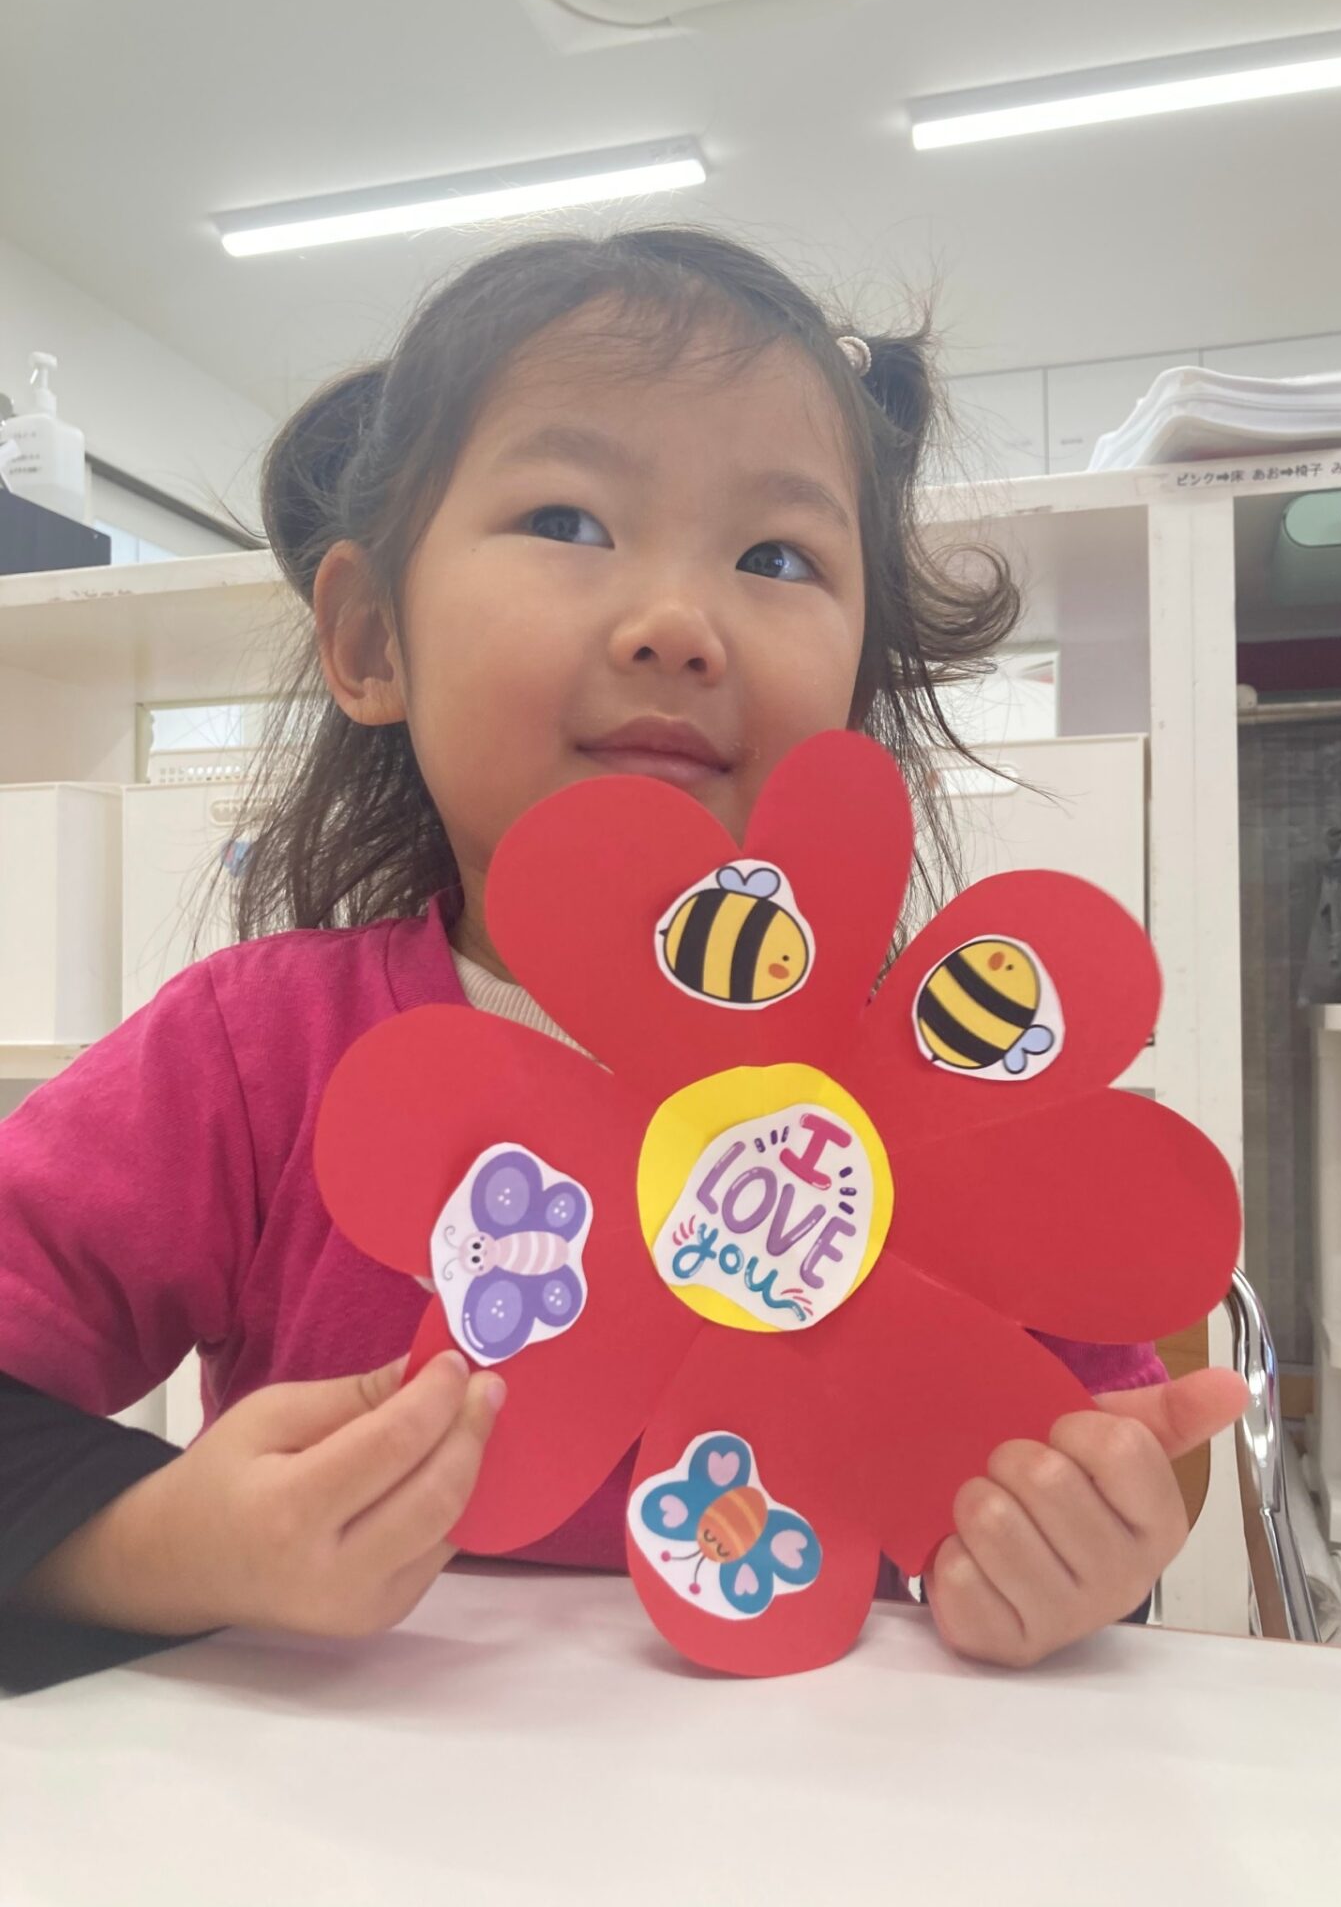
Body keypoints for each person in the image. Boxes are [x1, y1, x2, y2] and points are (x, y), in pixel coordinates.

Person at [0, 228, 1245, 1688]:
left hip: (832, 1785)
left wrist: (1070, 1559)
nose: (678, 627)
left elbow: (1092, 1482)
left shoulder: (936, 1098)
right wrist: (163, 1544)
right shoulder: (250, 1058)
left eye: (776, 557)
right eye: (568, 521)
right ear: (372, 641)